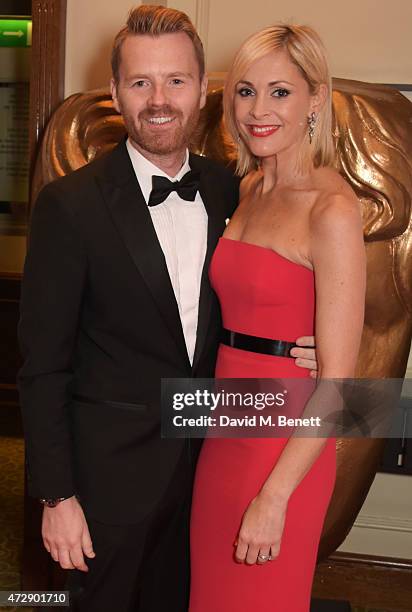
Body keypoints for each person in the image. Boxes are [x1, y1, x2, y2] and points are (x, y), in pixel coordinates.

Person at [18, 7, 317, 612]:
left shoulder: (237, 191)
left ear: (203, 90)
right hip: (105, 488)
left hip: (212, 471)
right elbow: (41, 367)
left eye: (176, 81)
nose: (159, 100)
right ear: (115, 93)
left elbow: (277, 293)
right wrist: (57, 497)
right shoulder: (68, 206)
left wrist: (308, 344)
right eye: (140, 82)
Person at [189, 23, 366, 612]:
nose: (257, 110)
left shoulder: (333, 208)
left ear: (316, 98)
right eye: (244, 91)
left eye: (280, 92)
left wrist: (274, 497)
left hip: (283, 448)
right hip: (224, 429)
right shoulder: (248, 189)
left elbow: (340, 390)